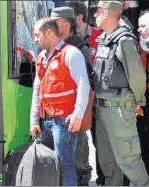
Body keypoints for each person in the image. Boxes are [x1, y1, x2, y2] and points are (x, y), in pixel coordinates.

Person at [90, 1, 149, 186]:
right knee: (108, 164)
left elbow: (136, 75)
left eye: (97, 12)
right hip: (102, 110)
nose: (94, 16)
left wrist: (138, 102)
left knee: (129, 161)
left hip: (119, 111)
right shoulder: (104, 39)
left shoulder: (124, 40)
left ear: (107, 13)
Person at [30, 17, 90, 186]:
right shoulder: (42, 57)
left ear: (48, 33)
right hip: (46, 120)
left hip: (64, 120)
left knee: (65, 165)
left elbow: (83, 84)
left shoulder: (71, 53)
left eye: (37, 35)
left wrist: (78, 115)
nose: (35, 39)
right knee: (48, 165)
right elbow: (37, 90)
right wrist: (34, 121)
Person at [50, 6, 93, 186]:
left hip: (73, 115)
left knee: (77, 161)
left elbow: (86, 84)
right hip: (55, 115)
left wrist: (81, 114)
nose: (50, 24)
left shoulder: (79, 48)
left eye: (55, 21)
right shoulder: (51, 46)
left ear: (67, 25)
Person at [65, 1, 106, 185]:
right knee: (78, 144)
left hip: (97, 99)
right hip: (77, 101)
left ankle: (103, 178)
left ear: (78, 17)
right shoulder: (64, 41)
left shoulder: (99, 35)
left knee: (101, 143)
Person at [137, 12, 149, 177]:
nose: (139, 29)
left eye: (143, 25)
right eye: (139, 25)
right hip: (144, 98)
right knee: (144, 135)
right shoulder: (138, 46)